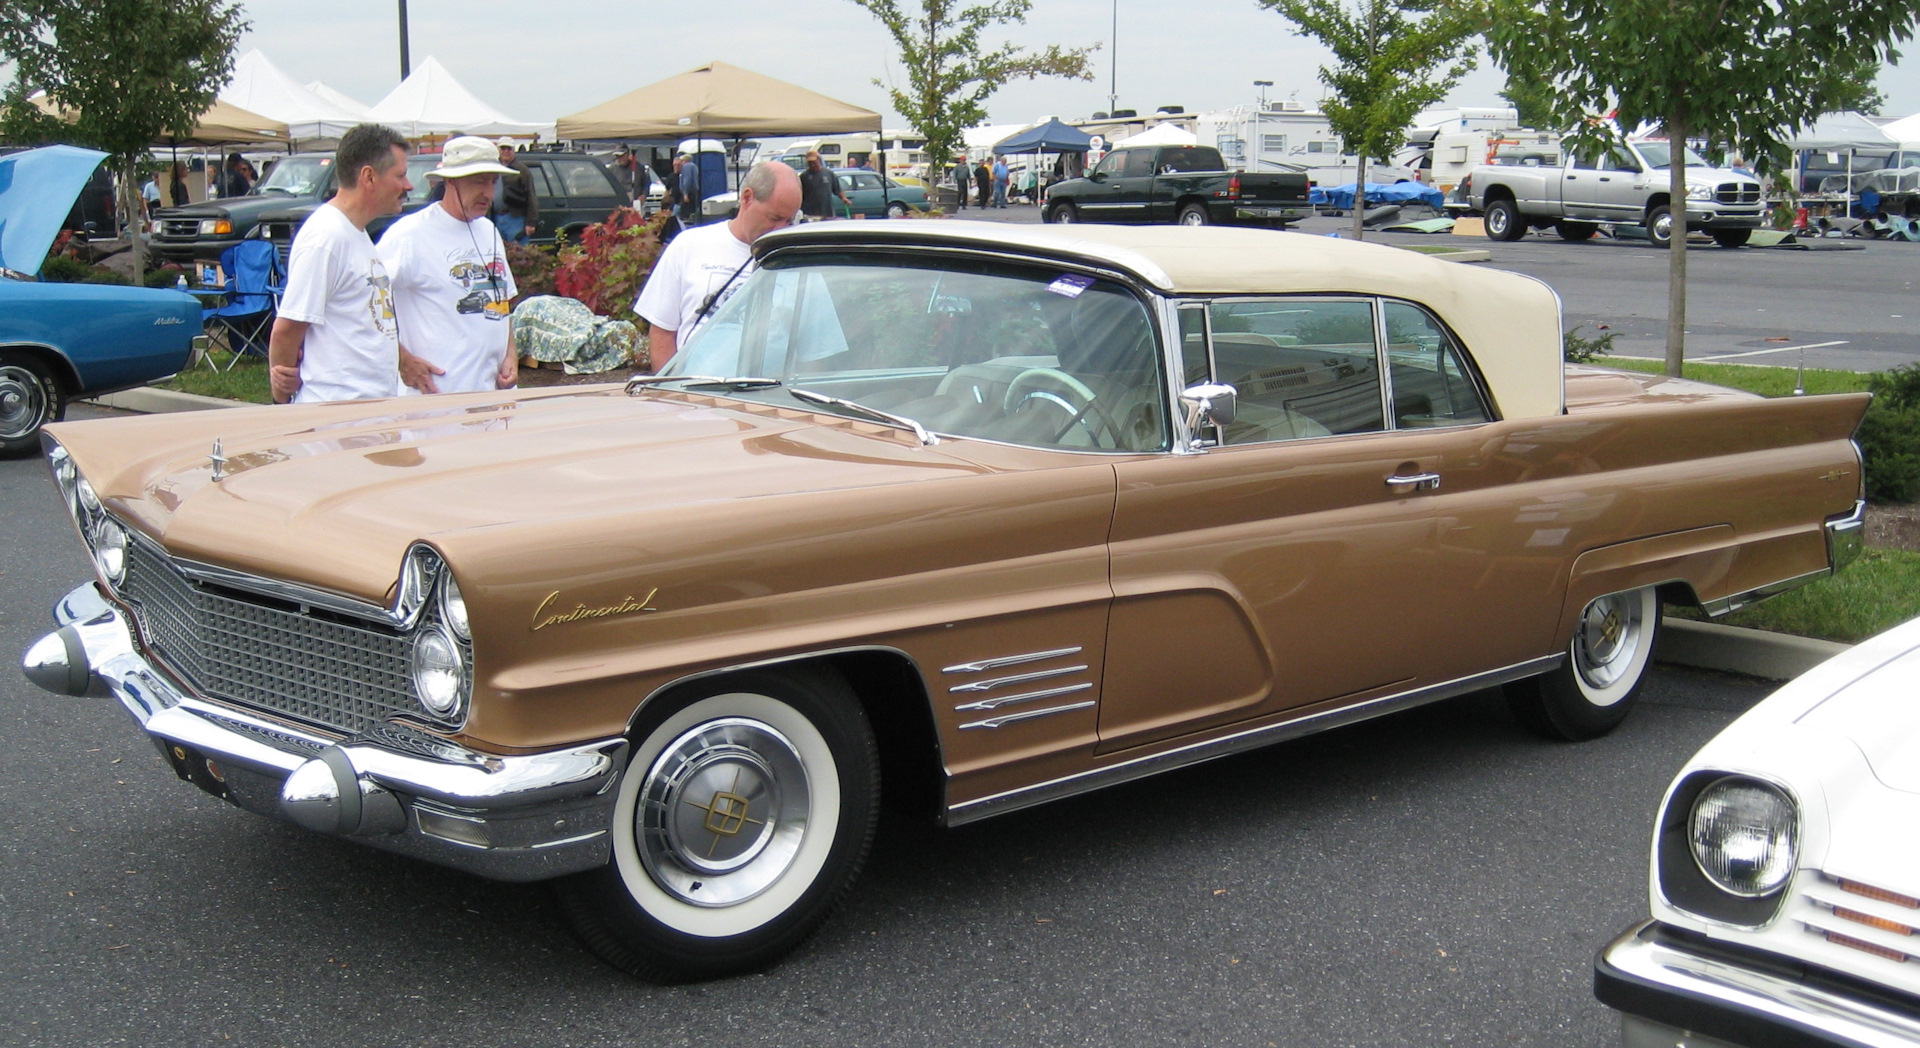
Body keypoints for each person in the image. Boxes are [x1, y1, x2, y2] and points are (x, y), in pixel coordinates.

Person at [267, 123, 413, 404]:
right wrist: (281, 403)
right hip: (336, 417)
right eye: (401, 175)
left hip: (370, 412)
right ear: (369, 177)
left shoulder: (355, 233)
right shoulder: (325, 238)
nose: (408, 185)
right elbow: (287, 331)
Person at [377, 135, 520, 396]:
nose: (488, 193)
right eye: (479, 181)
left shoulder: (488, 230)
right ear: (450, 181)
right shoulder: (408, 236)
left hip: (494, 397)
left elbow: (502, 300)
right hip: (436, 402)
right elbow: (363, 305)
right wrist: (401, 360)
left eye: (493, 182)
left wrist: (510, 353)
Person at [634, 160, 799, 371]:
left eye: (790, 221)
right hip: (695, 394)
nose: (781, 229)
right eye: (774, 218)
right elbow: (662, 333)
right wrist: (671, 396)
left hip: (769, 398)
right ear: (747, 198)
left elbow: (819, 352)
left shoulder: (799, 260)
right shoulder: (689, 245)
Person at [490, 139, 539, 244]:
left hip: (515, 218)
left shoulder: (522, 170)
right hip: (495, 217)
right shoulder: (493, 168)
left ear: (514, 150)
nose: (506, 151)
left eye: (509, 148)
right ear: (498, 150)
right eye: (503, 148)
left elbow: (531, 196)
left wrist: (531, 222)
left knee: (519, 254)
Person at [799, 150, 850, 220]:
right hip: (810, 213)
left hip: (827, 212)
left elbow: (837, 189)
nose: (812, 165)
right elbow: (799, 194)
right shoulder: (804, 176)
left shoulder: (829, 173)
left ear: (819, 160)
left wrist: (843, 198)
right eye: (810, 163)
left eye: (814, 162)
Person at [677, 151, 702, 222]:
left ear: (685, 161)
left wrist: (685, 193)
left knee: (685, 214)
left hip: (689, 193)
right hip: (694, 192)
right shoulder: (694, 166)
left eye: (681, 161)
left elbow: (687, 180)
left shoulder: (687, 166)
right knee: (693, 211)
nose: (680, 163)